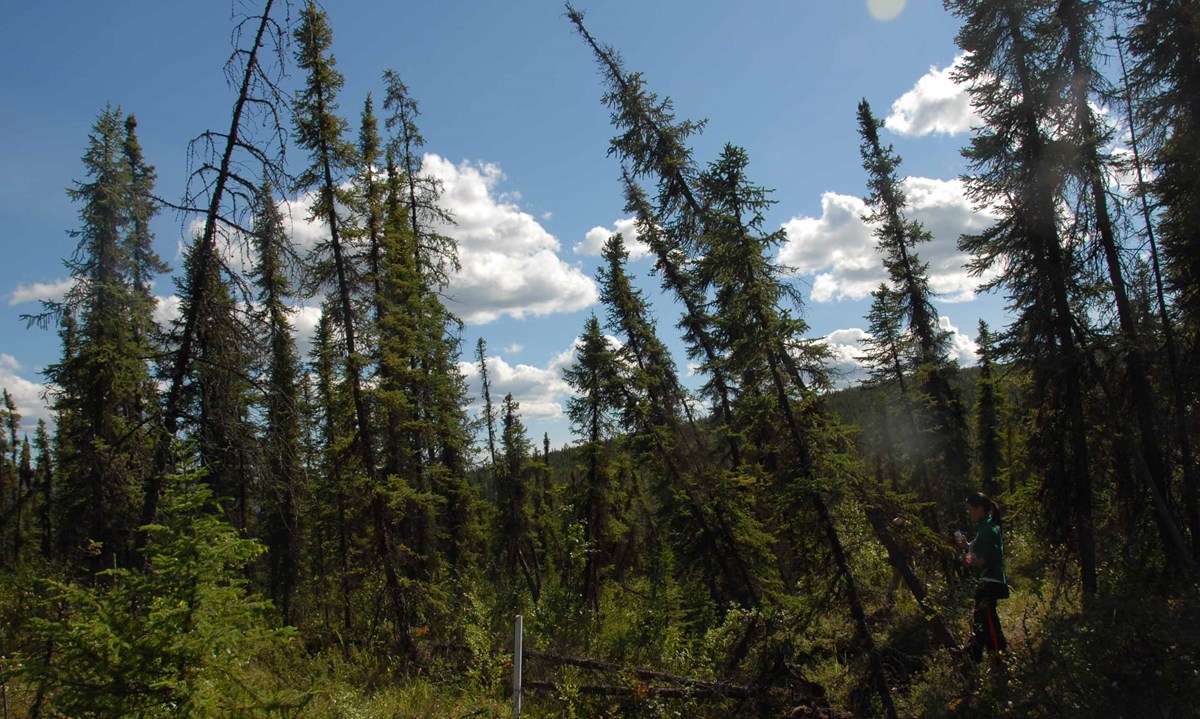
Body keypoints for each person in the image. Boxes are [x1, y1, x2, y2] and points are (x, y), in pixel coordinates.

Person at [957, 492, 1008, 663]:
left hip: (990, 583)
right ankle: (974, 660)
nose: (968, 513)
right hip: (986, 582)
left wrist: (967, 560)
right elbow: (980, 550)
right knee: (980, 623)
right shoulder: (984, 527)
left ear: (979, 509)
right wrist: (967, 546)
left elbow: (987, 558)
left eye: (970, 510)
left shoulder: (988, 528)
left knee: (988, 623)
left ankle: (999, 660)